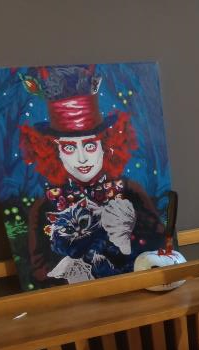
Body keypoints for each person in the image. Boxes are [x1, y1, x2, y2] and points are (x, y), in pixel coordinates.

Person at [19, 65, 164, 286]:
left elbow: (160, 246)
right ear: (56, 152)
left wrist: (128, 239)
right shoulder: (44, 206)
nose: (82, 159)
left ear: (105, 146)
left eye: (89, 145)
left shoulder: (130, 192)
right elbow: (38, 271)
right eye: (69, 148)